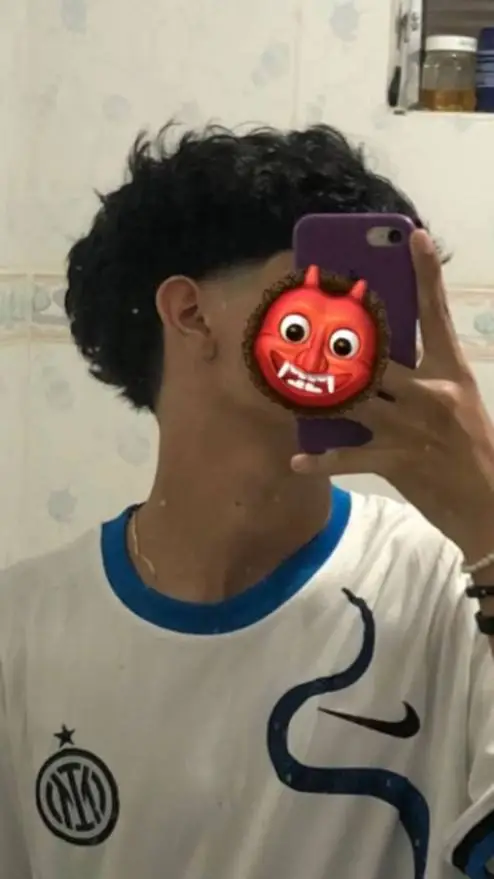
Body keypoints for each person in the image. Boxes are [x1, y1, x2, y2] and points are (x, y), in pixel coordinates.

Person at [1, 123, 494, 879]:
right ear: (190, 314)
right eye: (323, 279)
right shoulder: (21, 630)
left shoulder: (453, 591)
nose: (362, 322)